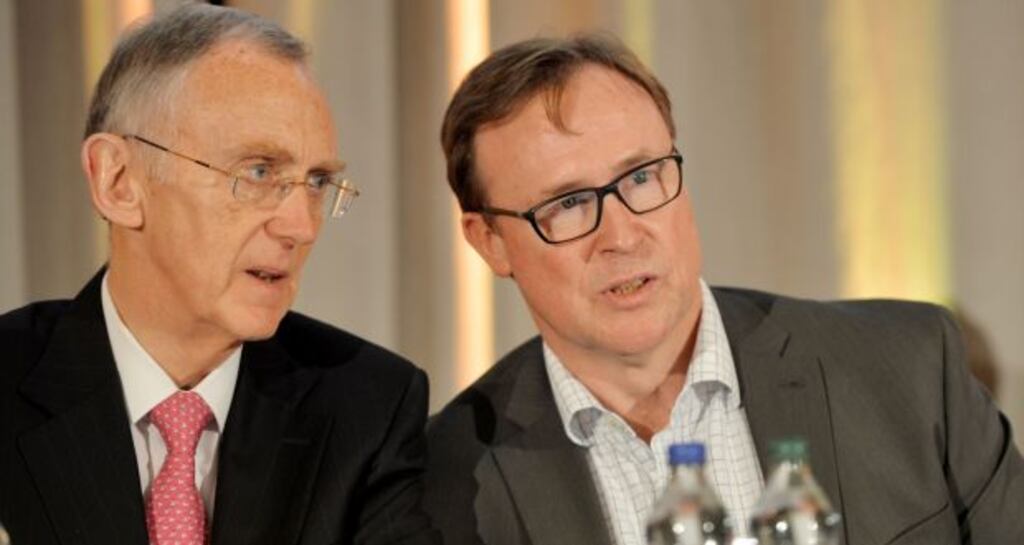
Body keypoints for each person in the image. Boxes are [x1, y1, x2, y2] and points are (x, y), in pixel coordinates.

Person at [423, 34, 1024, 544]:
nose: (623, 233)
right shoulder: (447, 480)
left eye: (640, 176)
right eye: (569, 203)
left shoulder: (907, 369)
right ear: (490, 241)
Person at [0, 5, 437, 545]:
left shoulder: (367, 407)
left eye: (318, 181)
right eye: (258, 172)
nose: (301, 226)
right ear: (118, 181)